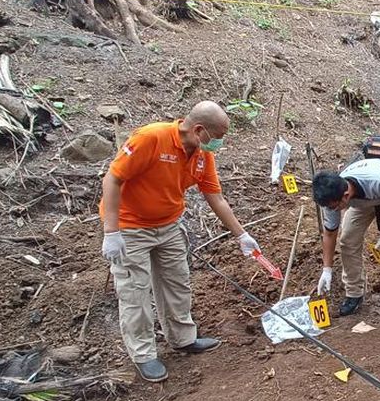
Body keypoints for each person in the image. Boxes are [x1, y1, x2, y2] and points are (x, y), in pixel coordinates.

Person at [100, 102, 267, 382]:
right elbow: (113, 179)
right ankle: (144, 355)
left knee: (177, 282)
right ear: (199, 130)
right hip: (130, 228)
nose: (218, 144)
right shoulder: (151, 138)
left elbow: (215, 197)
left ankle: (182, 338)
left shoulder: (203, 156)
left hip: (168, 225)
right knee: (135, 293)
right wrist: (112, 232)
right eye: (217, 137)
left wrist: (242, 235)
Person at [311, 159, 380, 323]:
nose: (332, 211)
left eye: (335, 208)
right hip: (363, 199)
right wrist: (326, 269)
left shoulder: (377, 181)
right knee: (347, 241)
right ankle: (354, 294)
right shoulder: (331, 200)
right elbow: (329, 234)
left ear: (345, 197)